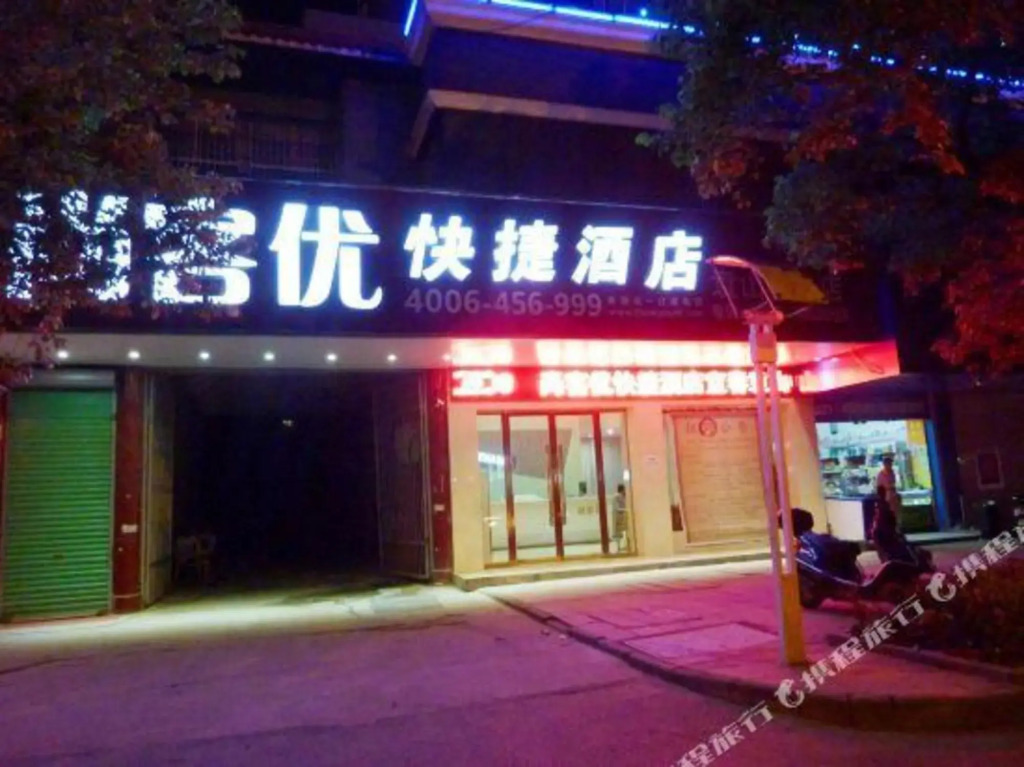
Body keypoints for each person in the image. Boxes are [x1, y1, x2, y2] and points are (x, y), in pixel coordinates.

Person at [613, 484, 629, 552]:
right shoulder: (617, 496)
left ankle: (620, 546)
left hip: (621, 514)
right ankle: (619, 547)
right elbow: (618, 507)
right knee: (620, 532)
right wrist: (625, 510)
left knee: (621, 531)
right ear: (622, 490)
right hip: (619, 514)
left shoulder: (621, 496)